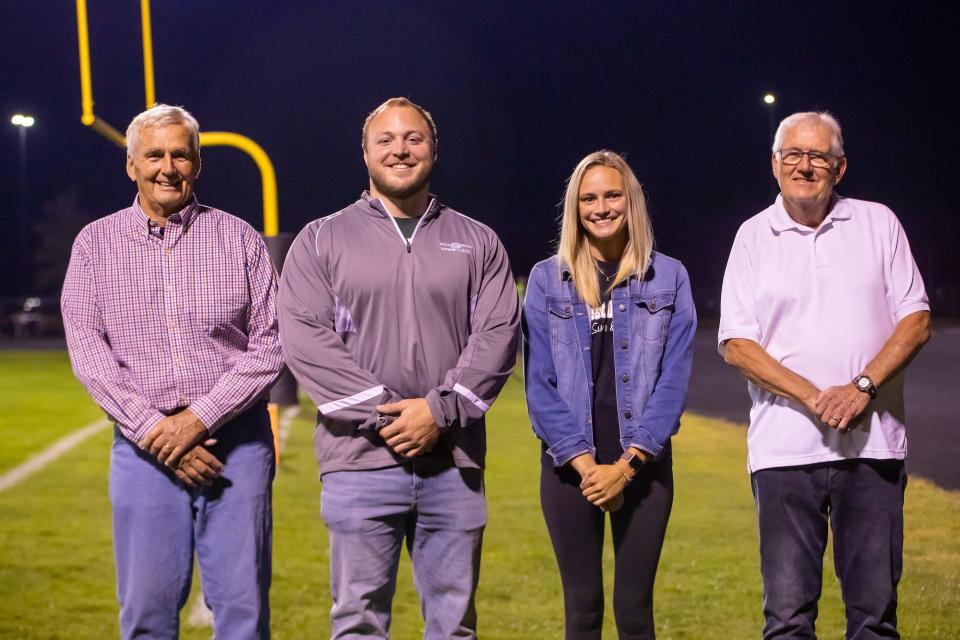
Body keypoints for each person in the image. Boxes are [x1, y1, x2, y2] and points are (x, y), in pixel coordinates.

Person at [277, 97, 520, 639]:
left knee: (454, 625)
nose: (400, 149)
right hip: (357, 462)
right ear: (365, 152)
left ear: (433, 150)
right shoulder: (320, 239)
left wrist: (438, 410)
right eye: (385, 139)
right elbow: (305, 341)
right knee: (358, 622)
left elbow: (498, 335)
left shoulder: (478, 240)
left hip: (452, 461)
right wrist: (391, 415)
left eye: (413, 138)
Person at [61, 104, 284, 639]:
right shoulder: (95, 244)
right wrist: (156, 432)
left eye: (180, 154)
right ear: (131, 165)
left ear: (198, 164)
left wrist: (196, 422)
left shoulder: (240, 238)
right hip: (143, 451)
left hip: (238, 446)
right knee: (146, 616)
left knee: (243, 615)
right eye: (154, 154)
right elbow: (89, 353)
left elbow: (271, 346)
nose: (168, 167)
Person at [719, 111, 931, 639]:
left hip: (872, 449)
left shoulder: (878, 222)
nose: (805, 166)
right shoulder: (752, 236)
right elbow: (738, 345)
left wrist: (861, 387)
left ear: (840, 168)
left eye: (819, 156)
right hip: (785, 455)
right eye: (794, 154)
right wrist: (817, 397)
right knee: (788, 621)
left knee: (874, 619)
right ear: (775, 163)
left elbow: (917, 318)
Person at [523, 150, 696, 639]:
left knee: (634, 612)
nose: (601, 207)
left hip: (643, 468)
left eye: (612, 195)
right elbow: (540, 387)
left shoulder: (670, 277)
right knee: (582, 610)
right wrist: (588, 468)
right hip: (567, 472)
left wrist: (625, 469)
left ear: (631, 201)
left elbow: (672, 383)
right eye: (589, 198)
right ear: (575, 209)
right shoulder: (545, 279)